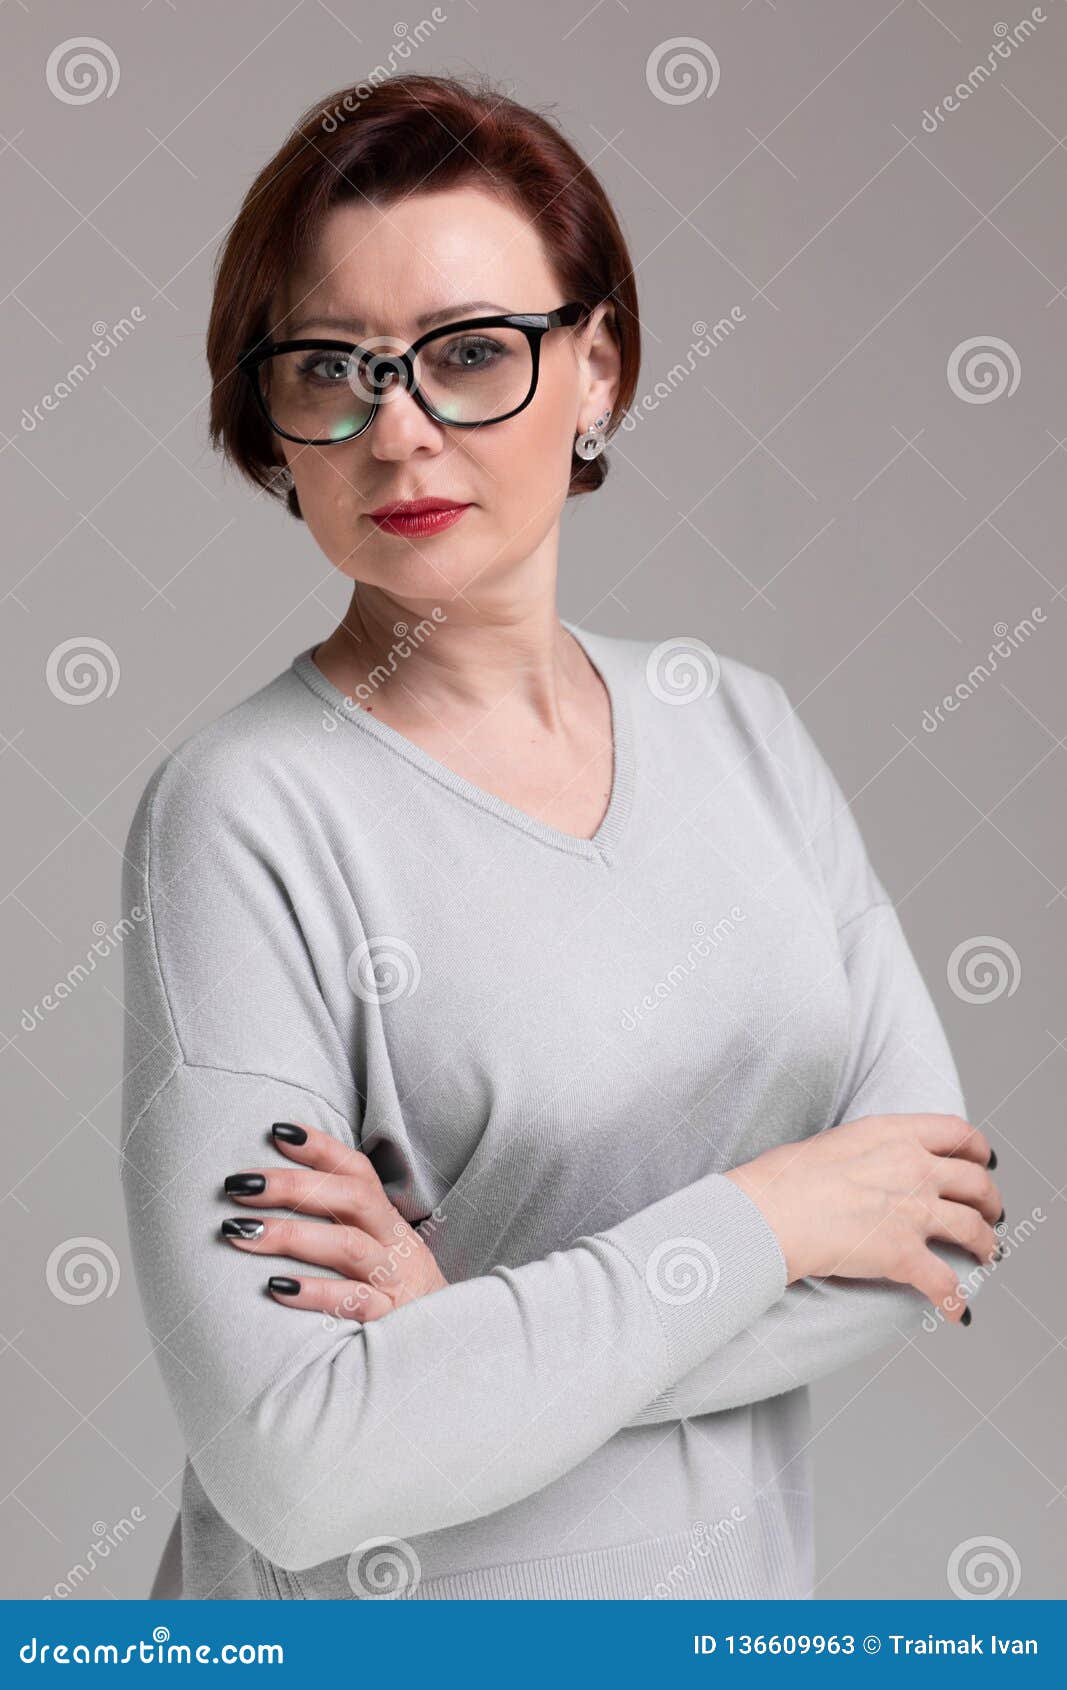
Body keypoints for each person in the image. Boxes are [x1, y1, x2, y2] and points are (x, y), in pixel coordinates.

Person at [120, 73, 1003, 1602]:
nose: (398, 430)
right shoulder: (241, 813)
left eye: (470, 354)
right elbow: (299, 1460)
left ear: (597, 368)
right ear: (275, 422)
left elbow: (942, 1227)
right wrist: (772, 1215)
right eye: (331, 367)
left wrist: (467, 1344)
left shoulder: (742, 728)